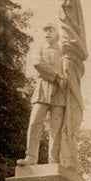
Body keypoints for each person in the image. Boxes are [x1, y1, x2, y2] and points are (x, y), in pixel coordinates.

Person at [23, 25, 65, 165]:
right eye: (45, 30)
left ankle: (53, 160)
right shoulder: (40, 48)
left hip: (59, 92)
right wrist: (57, 76)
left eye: (50, 30)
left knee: (56, 128)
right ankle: (31, 157)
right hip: (43, 88)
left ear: (57, 34)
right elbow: (37, 63)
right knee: (35, 122)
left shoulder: (63, 52)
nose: (46, 33)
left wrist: (63, 79)